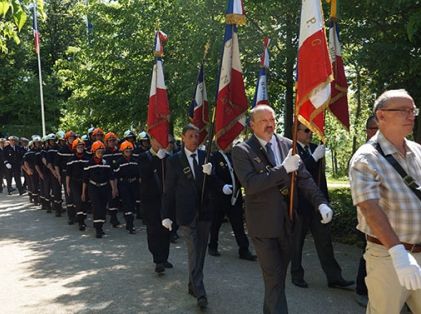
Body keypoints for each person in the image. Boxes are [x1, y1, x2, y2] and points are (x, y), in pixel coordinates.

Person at [232, 105, 332, 314]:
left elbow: (304, 179)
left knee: (276, 279)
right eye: (263, 121)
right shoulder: (242, 150)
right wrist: (283, 169)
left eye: (272, 119)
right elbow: (251, 184)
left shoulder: (288, 144)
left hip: (289, 222)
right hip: (263, 225)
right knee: (274, 277)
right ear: (252, 125)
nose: (270, 124)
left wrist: (320, 203)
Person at [349, 89, 421, 313]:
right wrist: (399, 253)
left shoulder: (418, 151)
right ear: (381, 116)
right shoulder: (366, 157)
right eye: (403, 110)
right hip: (388, 256)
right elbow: (368, 207)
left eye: (413, 110)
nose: (411, 116)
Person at [290, 122, 354, 289]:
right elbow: (297, 174)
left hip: (318, 205)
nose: (310, 133)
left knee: (325, 242)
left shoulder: (314, 147)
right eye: (306, 130)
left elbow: (320, 178)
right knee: (297, 243)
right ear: (296, 132)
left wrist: (325, 201)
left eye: (311, 130)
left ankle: (334, 277)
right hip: (301, 205)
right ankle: (296, 274)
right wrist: (313, 158)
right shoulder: (291, 149)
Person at [161, 124, 214, 309]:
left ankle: (192, 284)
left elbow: (211, 185)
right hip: (186, 213)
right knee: (194, 252)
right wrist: (165, 215)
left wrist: (211, 173)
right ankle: (200, 291)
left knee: (200, 252)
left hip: (204, 212)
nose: (194, 139)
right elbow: (168, 190)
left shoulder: (205, 157)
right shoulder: (175, 160)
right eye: (190, 136)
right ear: (183, 137)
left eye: (197, 135)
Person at [208, 143, 256, 261]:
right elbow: (211, 175)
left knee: (238, 223)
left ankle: (244, 249)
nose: (230, 144)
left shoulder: (233, 157)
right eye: (228, 142)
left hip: (235, 196)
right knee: (215, 223)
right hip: (219, 198)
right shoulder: (213, 157)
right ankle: (213, 246)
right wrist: (222, 186)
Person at [354, 115, 378, 307]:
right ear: (368, 131)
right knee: (368, 253)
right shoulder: (363, 155)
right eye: (374, 128)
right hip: (371, 217)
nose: (378, 132)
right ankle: (362, 289)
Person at [139, 136, 172, 273]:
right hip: (150, 200)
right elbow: (144, 174)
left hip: (166, 200)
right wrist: (156, 159)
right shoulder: (144, 157)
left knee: (166, 230)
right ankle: (157, 259)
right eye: (157, 139)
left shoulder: (168, 157)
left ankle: (164, 257)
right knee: (154, 230)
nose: (160, 142)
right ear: (152, 140)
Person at [82, 140, 117, 238]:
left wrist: (114, 189)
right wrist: (83, 193)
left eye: (102, 152)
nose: (100, 154)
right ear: (94, 151)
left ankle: (100, 226)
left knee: (102, 208)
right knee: (96, 207)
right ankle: (98, 229)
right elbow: (85, 179)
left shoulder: (106, 163)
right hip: (93, 187)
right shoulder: (88, 164)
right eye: (98, 152)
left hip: (105, 187)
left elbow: (111, 177)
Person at [114, 140, 139, 234]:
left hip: (133, 184)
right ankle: (130, 224)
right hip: (123, 185)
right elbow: (115, 176)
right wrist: (115, 188)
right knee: (127, 204)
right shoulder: (119, 162)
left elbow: (138, 174)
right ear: (122, 151)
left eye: (129, 151)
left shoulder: (135, 161)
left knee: (132, 204)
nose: (128, 153)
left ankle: (130, 223)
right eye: (126, 151)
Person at [66, 138, 90, 231]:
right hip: (74, 182)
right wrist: (67, 186)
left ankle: (82, 218)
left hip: (85, 183)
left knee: (84, 201)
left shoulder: (87, 159)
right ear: (75, 148)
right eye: (78, 147)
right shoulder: (71, 160)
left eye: (81, 146)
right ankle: (81, 222)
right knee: (78, 201)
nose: (80, 148)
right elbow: (68, 174)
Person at [103, 132, 122, 227]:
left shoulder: (119, 152)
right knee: (111, 198)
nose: (112, 142)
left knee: (117, 197)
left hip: (118, 178)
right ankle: (113, 218)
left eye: (113, 140)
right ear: (106, 142)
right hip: (108, 179)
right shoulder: (104, 153)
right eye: (110, 141)